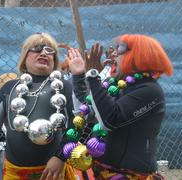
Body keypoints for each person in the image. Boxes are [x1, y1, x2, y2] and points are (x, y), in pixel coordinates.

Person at [68, 34, 173, 179]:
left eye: (121, 49)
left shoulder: (150, 90)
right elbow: (89, 110)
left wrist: (92, 76)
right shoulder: (117, 84)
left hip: (130, 174)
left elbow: (109, 119)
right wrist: (80, 76)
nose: (114, 54)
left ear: (139, 56)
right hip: (103, 169)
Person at [0, 32, 76, 179]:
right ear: (25, 56)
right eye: (37, 48)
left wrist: (60, 157)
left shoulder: (63, 86)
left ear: (54, 59)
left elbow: (75, 125)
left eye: (49, 50)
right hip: (15, 173)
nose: (43, 53)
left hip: (53, 171)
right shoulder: (10, 87)